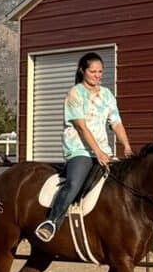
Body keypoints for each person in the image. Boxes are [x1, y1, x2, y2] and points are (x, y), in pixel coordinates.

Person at [35, 50, 129, 244]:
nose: (97, 75)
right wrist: (97, 152)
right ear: (83, 71)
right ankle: (52, 221)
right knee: (74, 183)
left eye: (100, 72)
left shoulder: (107, 95)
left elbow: (116, 122)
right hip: (79, 150)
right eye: (93, 71)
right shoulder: (75, 94)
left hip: (104, 151)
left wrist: (127, 146)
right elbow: (81, 126)